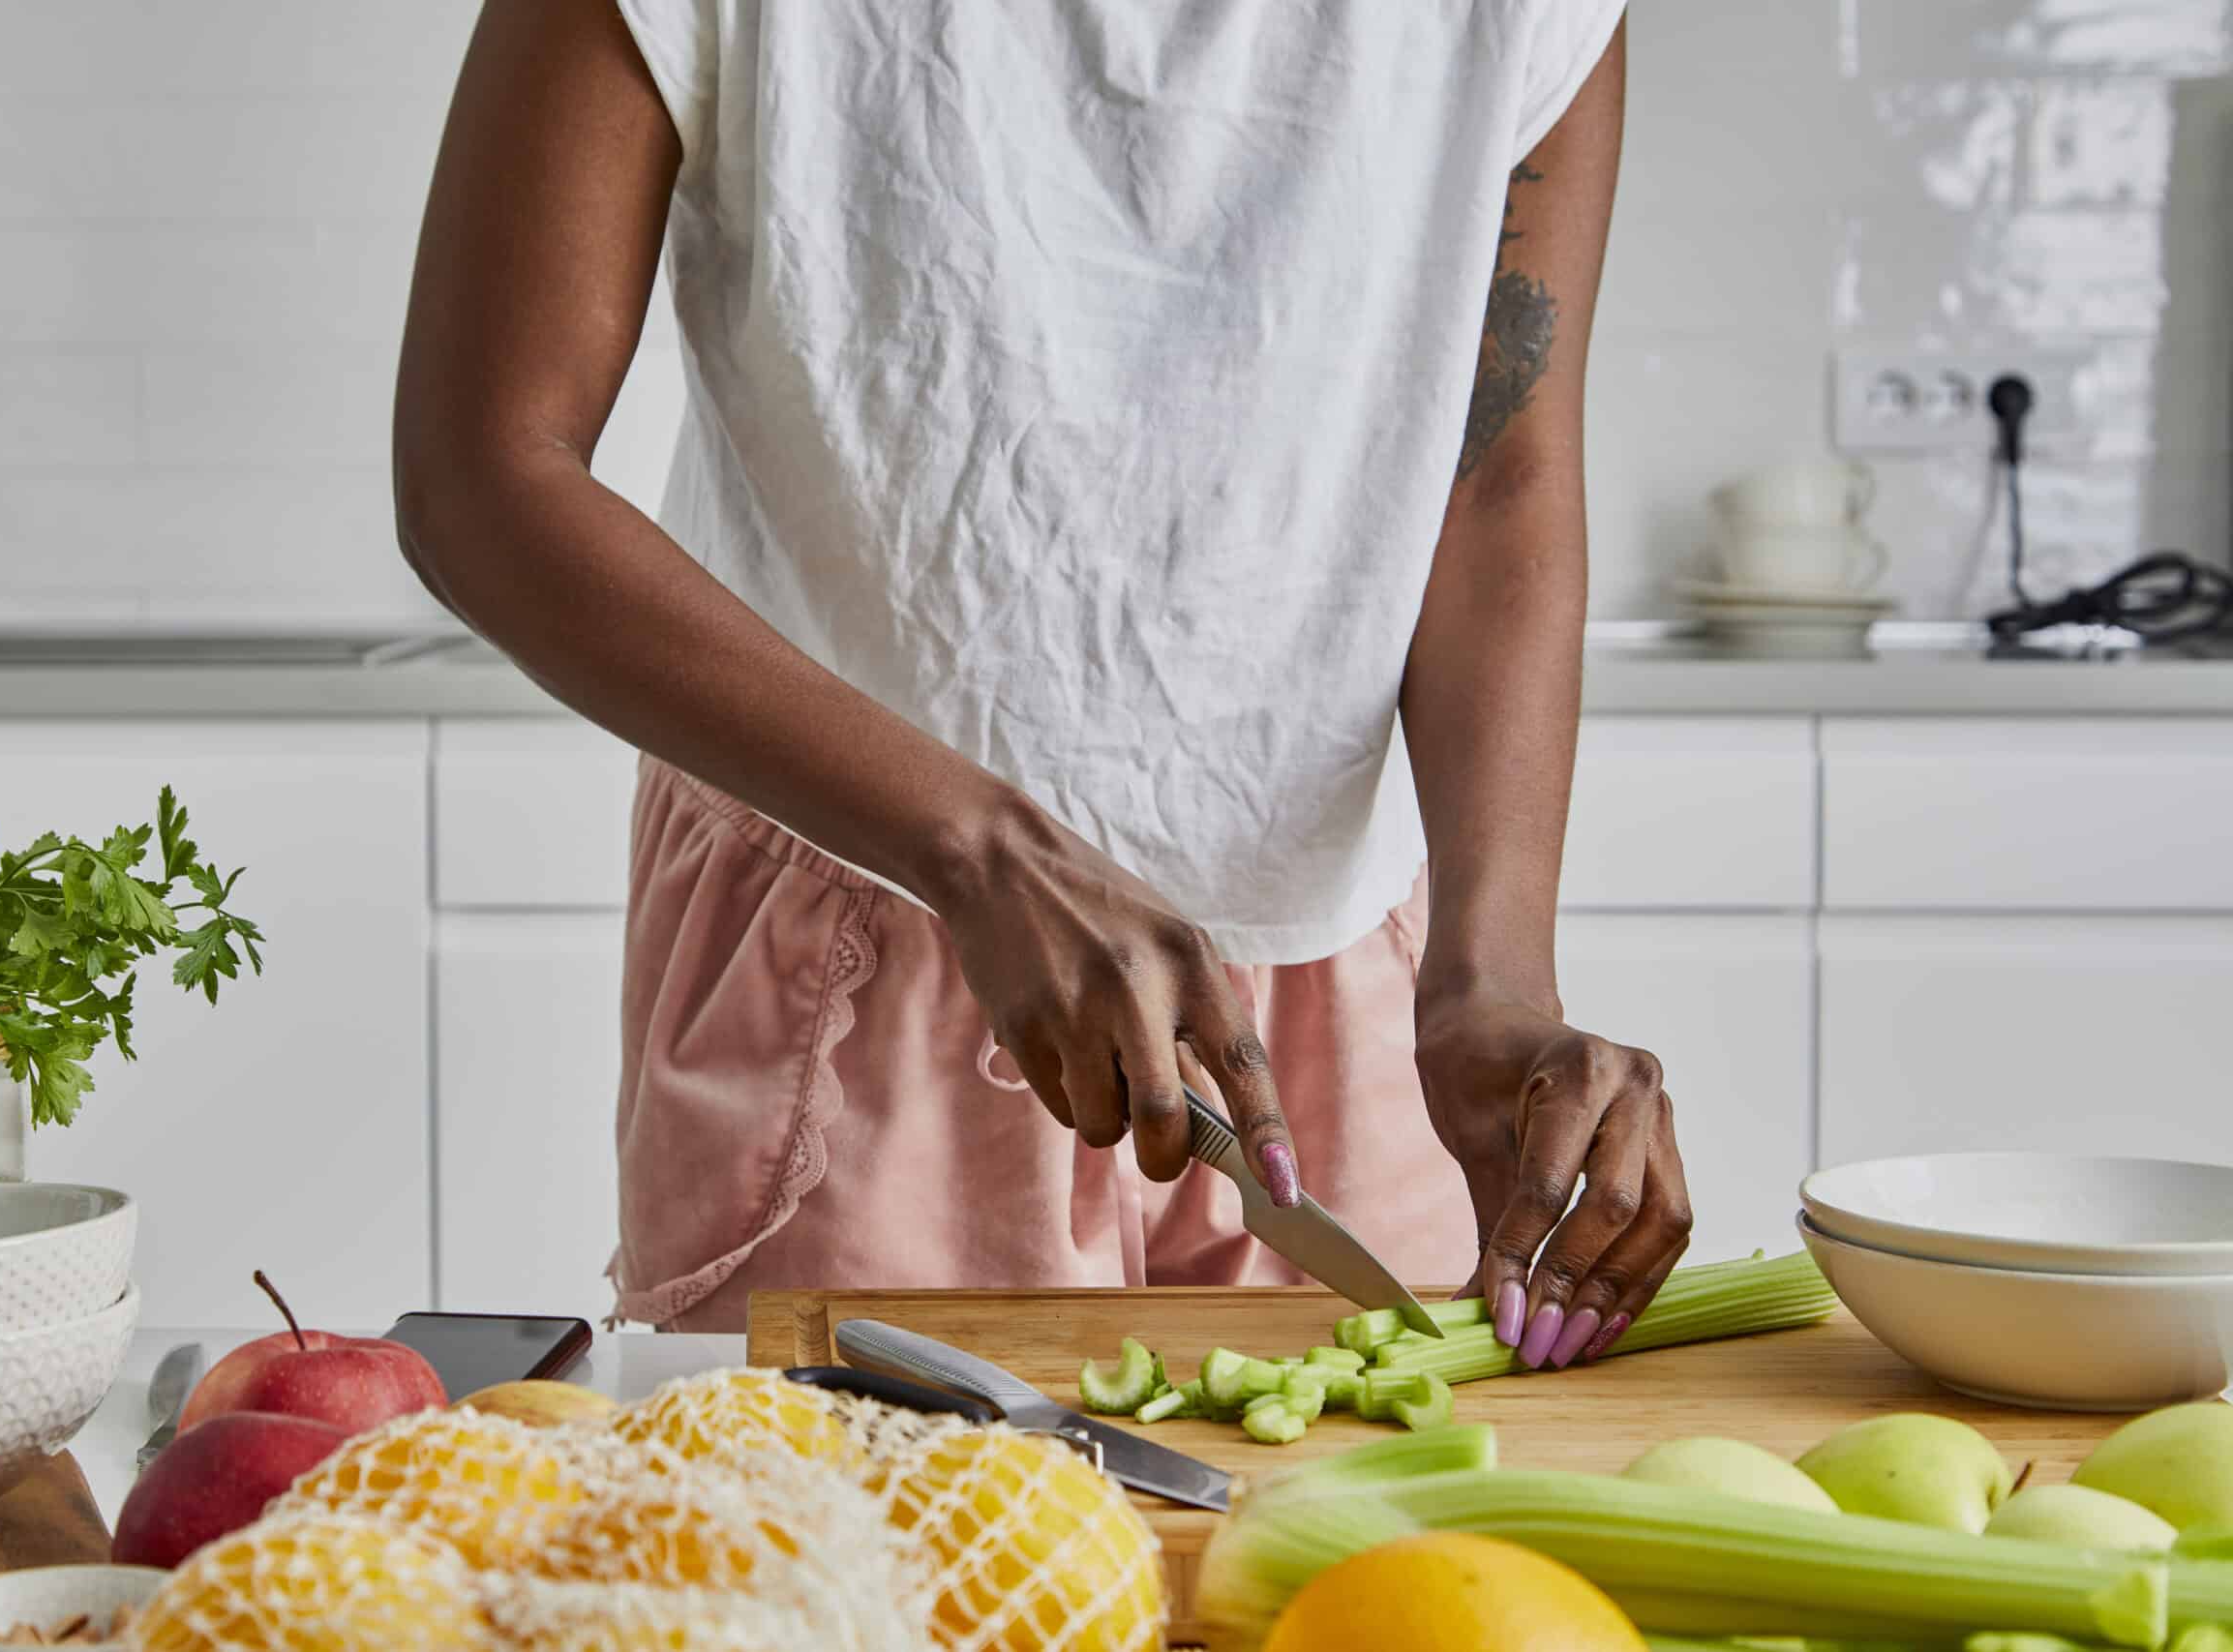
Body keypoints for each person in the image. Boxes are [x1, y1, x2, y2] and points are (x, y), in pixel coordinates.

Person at [394, 0, 1689, 1366]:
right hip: (866, 938)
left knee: (1350, 1564)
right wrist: (977, 848)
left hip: (1342, 967)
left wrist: (1489, 981)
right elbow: (481, 471)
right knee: (865, 1561)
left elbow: (1494, 480)